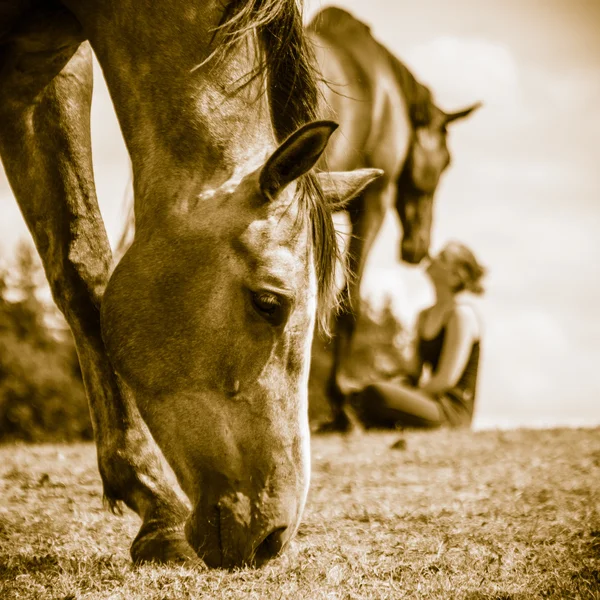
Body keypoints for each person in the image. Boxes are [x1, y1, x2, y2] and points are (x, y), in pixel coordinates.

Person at [350, 240, 486, 429]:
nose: (432, 257)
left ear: (455, 277)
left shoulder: (461, 315)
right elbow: (413, 371)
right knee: (360, 395)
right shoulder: (424, 315)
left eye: (442, 257)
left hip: (449, 410)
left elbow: (445, 381)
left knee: (376, 394)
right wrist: (395, 381)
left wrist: (405, 394)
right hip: (428, 401)